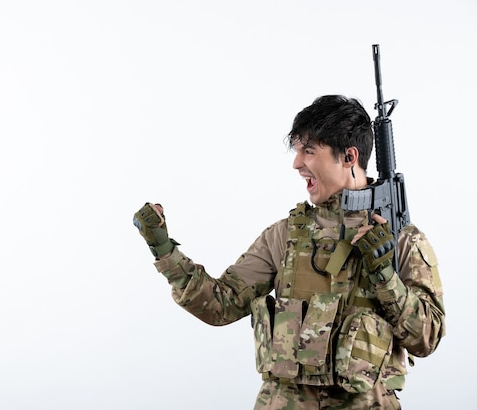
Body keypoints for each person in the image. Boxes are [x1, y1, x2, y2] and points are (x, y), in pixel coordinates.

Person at [132, 95, 445, 410]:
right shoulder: (284, 236)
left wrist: (386, 277)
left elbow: (426, 339)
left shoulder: (400, 239)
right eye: (298, 151)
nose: (297, 164)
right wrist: (163, 247)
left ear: (349, 156)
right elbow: (221, 305)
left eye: (309, 151)